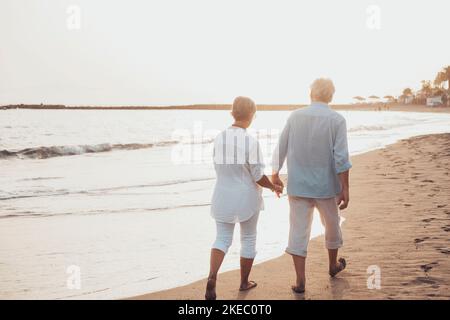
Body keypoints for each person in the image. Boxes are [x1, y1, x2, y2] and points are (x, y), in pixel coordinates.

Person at [271, 78, 352, 293]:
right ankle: (333, 265)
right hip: (326, 187)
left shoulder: (295, 116)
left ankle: (300, 280)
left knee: (298, 231)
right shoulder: (337, 120)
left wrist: (275, 173)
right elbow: (341, 157)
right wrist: (346, 188)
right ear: (331, 96)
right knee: (332, 225)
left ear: (310, 94)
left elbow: (281, 147)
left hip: (298, 186)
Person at [205, 96, 282, 300]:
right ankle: (243, 282)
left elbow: (218, 166)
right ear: (252, 115)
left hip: (222, 194)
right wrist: (273, 185)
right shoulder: (251, 141)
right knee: (248, 238)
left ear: (232, 113)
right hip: (246, 197)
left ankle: (212, 277)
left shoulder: (219, 137)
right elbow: (257, 175)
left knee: (222, 239)